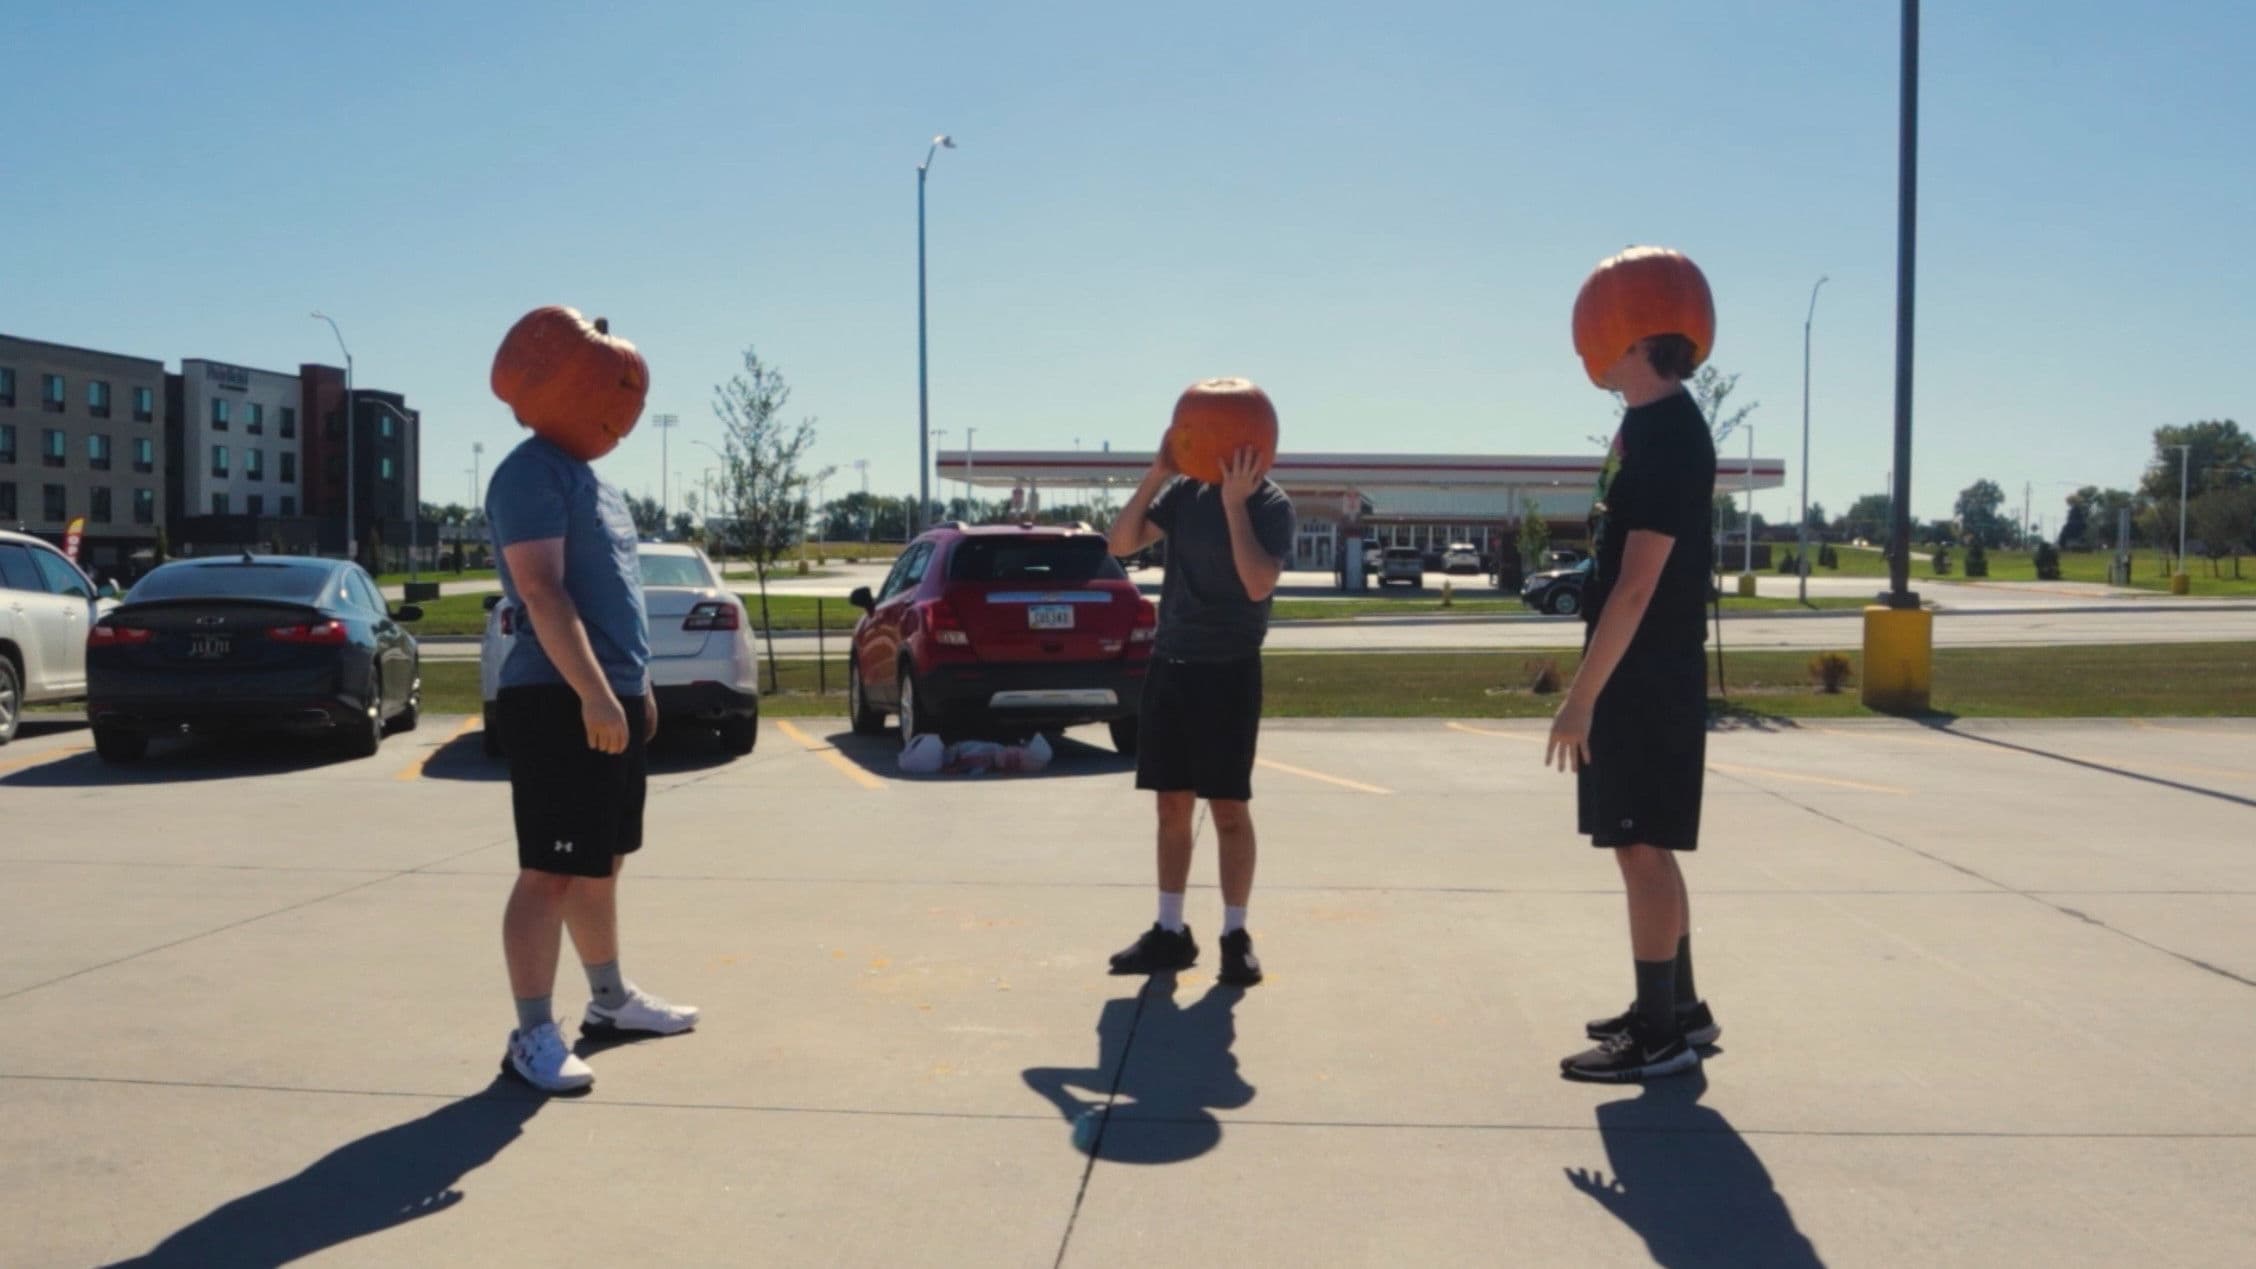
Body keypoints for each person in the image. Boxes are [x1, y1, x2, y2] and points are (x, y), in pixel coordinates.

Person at [486, 433, 698, 1093]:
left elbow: (614, 593)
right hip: (558, 698)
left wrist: (637, 687)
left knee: (601, 862)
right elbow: (542, 591)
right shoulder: (528, 475)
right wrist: (595, 694)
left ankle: (609, 1002)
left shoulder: (594, 482)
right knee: (548, 870)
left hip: (611, 691)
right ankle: (531, 1035)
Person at [1548, 331, 1721, 1083]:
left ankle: (1658, 1038)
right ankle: (1678, 1008)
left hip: (1644, 676)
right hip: (1640, 670)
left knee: (1640, 844)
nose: (1587, 347)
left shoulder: (1672, 434)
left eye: (1600, 333)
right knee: (1648, 844)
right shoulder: (1649, 423)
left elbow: (1639, 583)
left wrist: (1580, 698)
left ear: (1637, 340)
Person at [1104, 443, 1295, 987]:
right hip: (1172, 662)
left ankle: (1235, 937)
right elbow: (1120, 543)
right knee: (1171, 807)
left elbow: (1258, 582)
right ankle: (1170, 932)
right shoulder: (1184, 494)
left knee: (1229, 808)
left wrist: (1236, 504)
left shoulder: (1271, 505)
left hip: (1230, 667)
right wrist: (1157, 473)